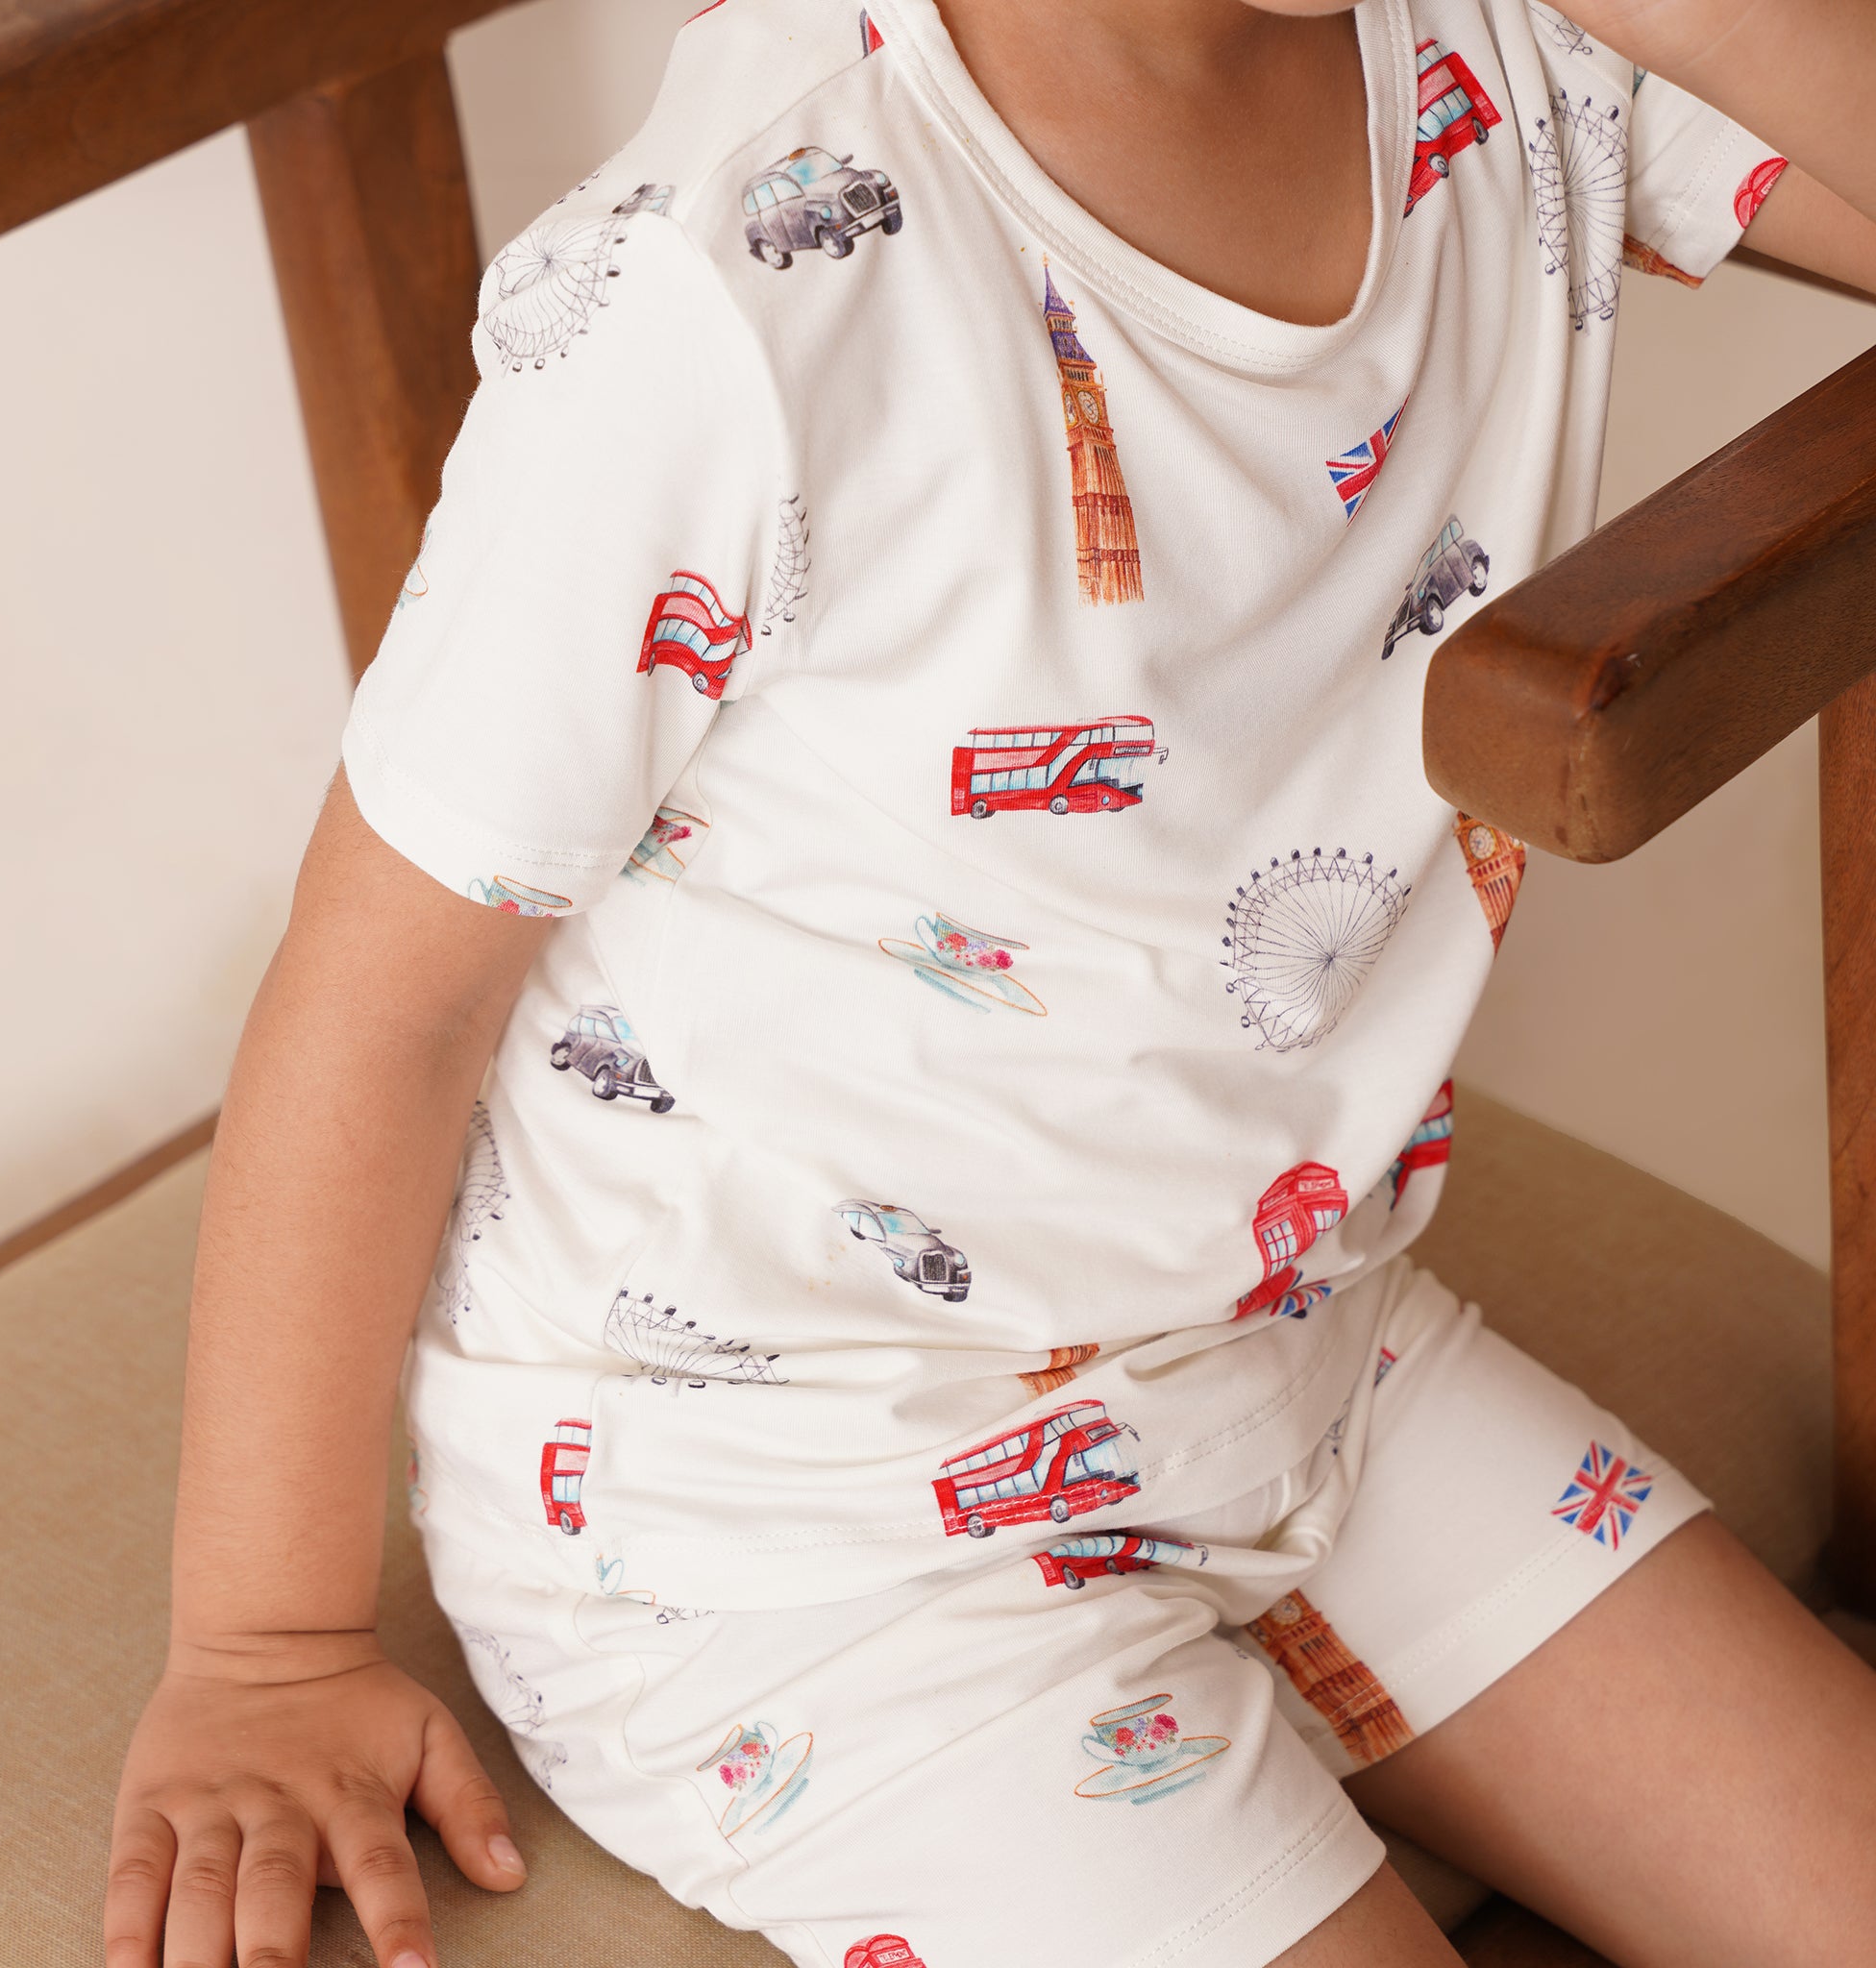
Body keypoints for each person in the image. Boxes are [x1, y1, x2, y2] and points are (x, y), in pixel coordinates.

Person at [104, 2, 1876, 1964]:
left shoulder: (1509, 44)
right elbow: (383, 993)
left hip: (1300, 1347)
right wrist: (264, 1643)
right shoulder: (733, 278)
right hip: (788, 1513)